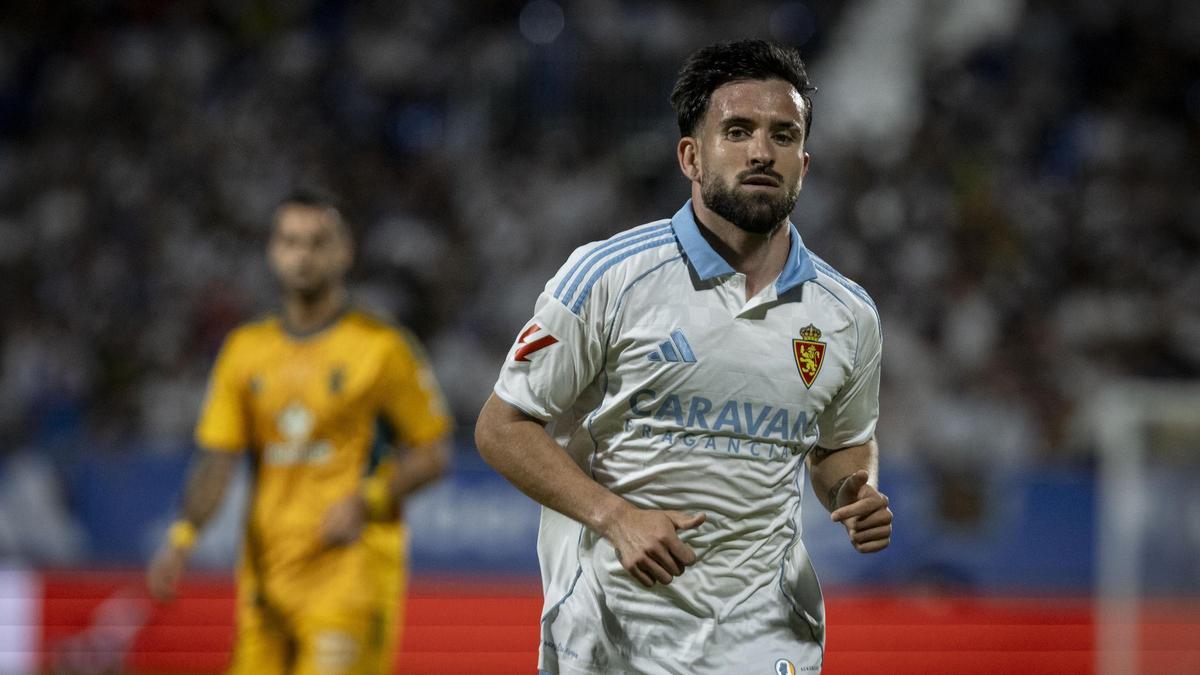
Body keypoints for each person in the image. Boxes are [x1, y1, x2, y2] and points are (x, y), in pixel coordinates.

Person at [474, 39, 892, 673]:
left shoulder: (848, 314)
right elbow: (500, 428)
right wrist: (614, 517)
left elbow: (841, 444)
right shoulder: (608, 277)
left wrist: (853, 493)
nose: (761, 151)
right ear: (691, 157)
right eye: (738, 130)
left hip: (765, 632)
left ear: (803, 163)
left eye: (783, 135)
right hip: (611, 630)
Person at [146, 190, 453, 675]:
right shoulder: (245, 351)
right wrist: (182, 537)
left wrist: (366, 500)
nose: (303, 255)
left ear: (344, 252)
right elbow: (217, 459)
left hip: (349, 575)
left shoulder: (382, 348)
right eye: (290, 241)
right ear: (273, 251)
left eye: (317, 242)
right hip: (266, 582)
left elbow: (433, 453)